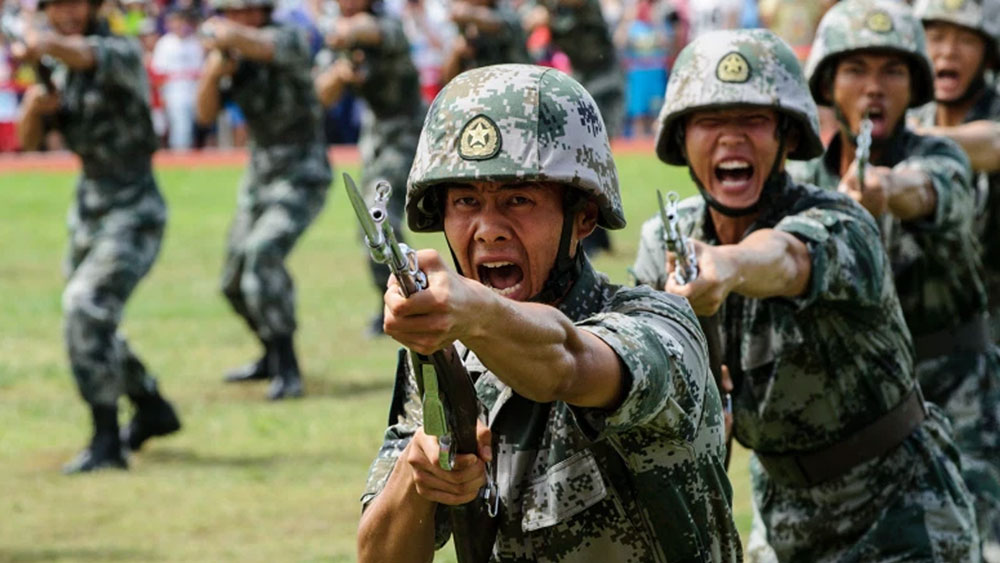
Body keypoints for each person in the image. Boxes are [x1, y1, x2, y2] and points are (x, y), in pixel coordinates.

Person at [357, 64, 741, 562]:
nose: (488, 228)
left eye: (519, 199)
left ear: (582, 218)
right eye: (466, 201)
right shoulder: (445, 356)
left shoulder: (659, 324)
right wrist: (419, 474)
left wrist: (474, 311)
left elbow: (567, 362)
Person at [632, 28, 979, 561]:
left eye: (753, 120)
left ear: (789, 137)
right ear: (681, 140)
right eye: (709, 121)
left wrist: (724, 264)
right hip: (782, 515)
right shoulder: (663, 245)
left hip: (902, 511)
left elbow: (788, 257)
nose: (731, 139)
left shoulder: (841, 220)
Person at [792, 0, 1000, 556]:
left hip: (955, 403)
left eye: (893, 70)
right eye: (856, 69)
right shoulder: (796, 181)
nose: (874, 88)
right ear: (829, 82)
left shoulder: (942, 156)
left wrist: (884, 191)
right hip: (844, 423)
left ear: (916, 84)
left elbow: (930, 190)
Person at [14, 0, 181, 473]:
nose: (66, 12)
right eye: (56, 6)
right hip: (88, 210)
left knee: (84, 307)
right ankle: (150, 405)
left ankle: (107, 440)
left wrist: (40, 40)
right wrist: (33, 107)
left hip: (135, 209)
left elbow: (83, 53)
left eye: (75, 3)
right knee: (92, 318)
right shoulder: (61, 74)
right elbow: (29, 143)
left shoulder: (116, 51)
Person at [195, 0, 331, 400]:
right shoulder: (232, 56)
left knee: (263, 253)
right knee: (232, 280)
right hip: (259, 177)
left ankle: (288, 368)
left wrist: (217, 33)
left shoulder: (285, 37)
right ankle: (269, 355)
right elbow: (203, 114)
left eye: (239, 10)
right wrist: (214, 71)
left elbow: (256, 43)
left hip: (301, 174)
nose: (233, 18)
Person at [314, 0, 425, 336]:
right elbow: (321, 95)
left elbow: (367, 30)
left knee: (379, 217)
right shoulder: (340, 41)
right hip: (376, 136)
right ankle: (392, 297)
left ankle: (409, 297)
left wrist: (338, 31)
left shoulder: (384, 27)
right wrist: (339, 74)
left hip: (407, 131)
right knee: (370, 225)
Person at [910, 0, 1000, 342]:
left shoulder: (911, 133)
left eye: (966, 40)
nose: (948, 52)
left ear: (989, 55)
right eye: (936, 37)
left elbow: (992, 143)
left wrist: (909, 142)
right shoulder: (913, 116)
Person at [439, 0, 529, 85]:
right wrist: (456, 53)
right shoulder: (464, 25)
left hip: (515, 83)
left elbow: (495, 23)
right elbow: (447, 80)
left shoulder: (505, 11)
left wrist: (468, 13)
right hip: (481, 90)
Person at [152, 8, 203, 149]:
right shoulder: (165, 43)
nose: (179, 25)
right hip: (174, 94)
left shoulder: (195, 42)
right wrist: (162, 96)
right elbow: (158, 73)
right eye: (175, 21)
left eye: (181, 21)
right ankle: (179, 159)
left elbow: (202, 71)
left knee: (193, 130)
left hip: (194, 93)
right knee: (181, 129)